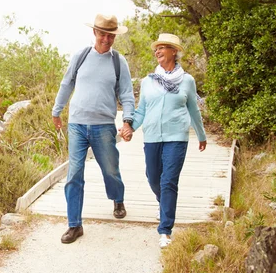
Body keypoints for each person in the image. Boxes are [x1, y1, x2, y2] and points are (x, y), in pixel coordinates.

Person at [52, 14, 136, 244]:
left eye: (111, 36)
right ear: (95, 33)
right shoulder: (81, 56)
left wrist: (128, 120)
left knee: (110, 169)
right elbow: (67, 83)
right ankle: (74, 225)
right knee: (74, 174)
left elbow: (127, 95)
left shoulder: (118, 62)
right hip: (77, 124)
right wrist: (56, 110)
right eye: (103, 34)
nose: (106, 39)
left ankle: (117, 198)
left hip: (103, 126)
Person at [124, 33, 206, 249]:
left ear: (174, 51)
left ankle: (165, 230)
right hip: (151, 137)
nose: (157, 52)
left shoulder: (187, 80)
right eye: (156, 49)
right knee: (153, 178)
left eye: (162, 48)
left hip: (177, 137)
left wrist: (201, 134)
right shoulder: (148, 81)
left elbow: (193, 110)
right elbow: (141, 110)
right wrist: (130, 127)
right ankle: (165, 206)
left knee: (169, 181)